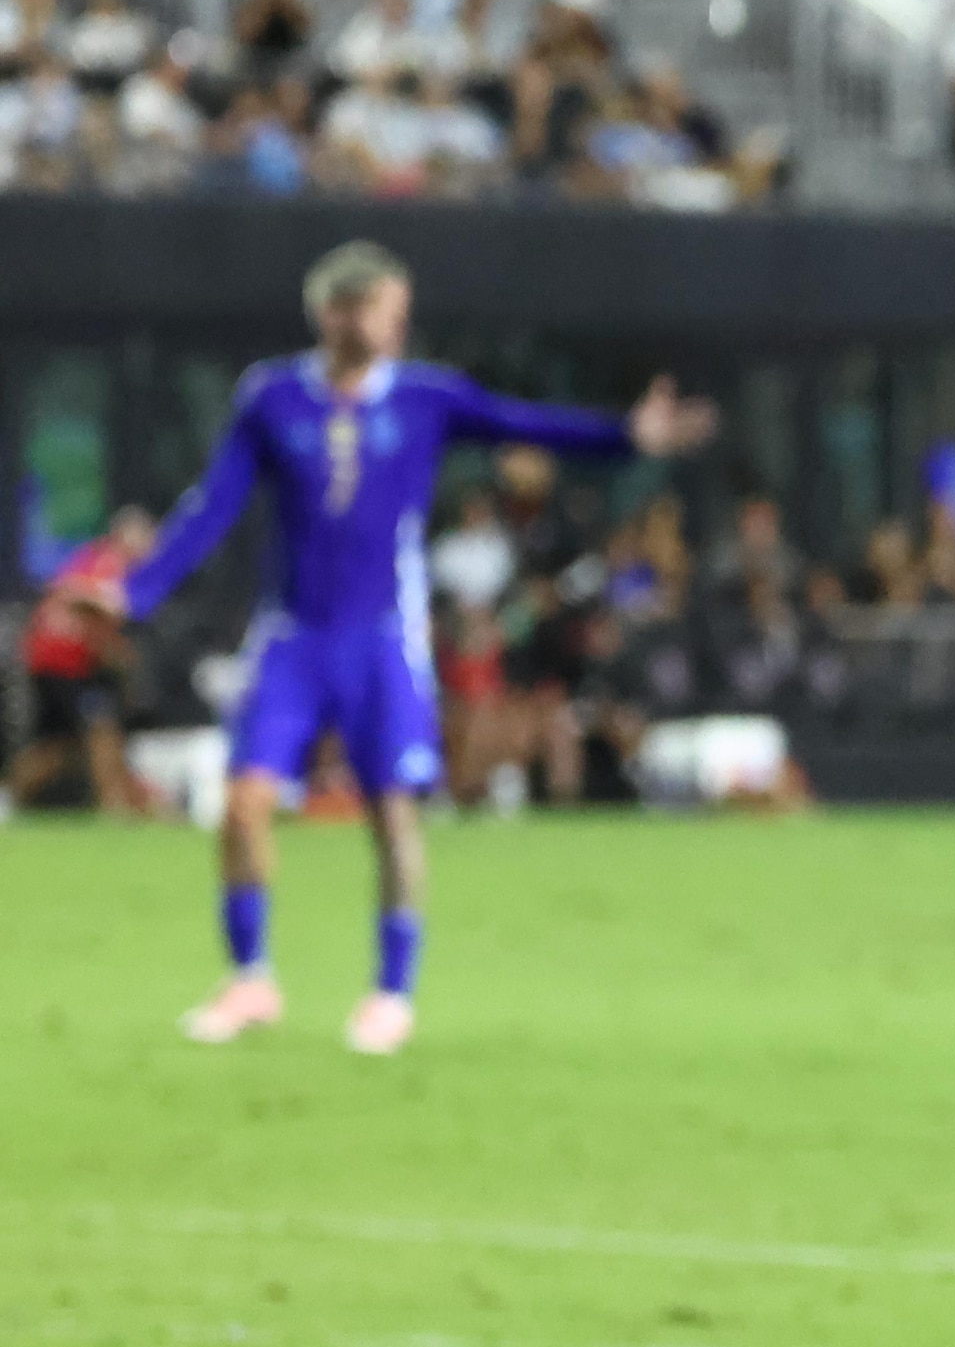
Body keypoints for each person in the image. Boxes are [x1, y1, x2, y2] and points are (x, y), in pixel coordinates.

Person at [66, 242, 715, 1052]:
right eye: (382, 309)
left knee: (391, 810)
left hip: (381, 638)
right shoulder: (272, 399)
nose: (398, 323)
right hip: (293, 636)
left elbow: (525, 422)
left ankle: (391, 993)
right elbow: (213, 505)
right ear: (335, 315)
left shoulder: (425, 398)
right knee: (242, 802)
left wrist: (628, 436)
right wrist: (135, 591)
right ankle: (250, 979)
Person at [14, 504, 159, 814]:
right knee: (99, 729)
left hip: (49, 659)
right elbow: (85, 609)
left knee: (63, 744)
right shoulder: (111, 564)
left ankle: (7, 795)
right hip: (62, 661)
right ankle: (113, 806)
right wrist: (119, 658)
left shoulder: (93, 557)